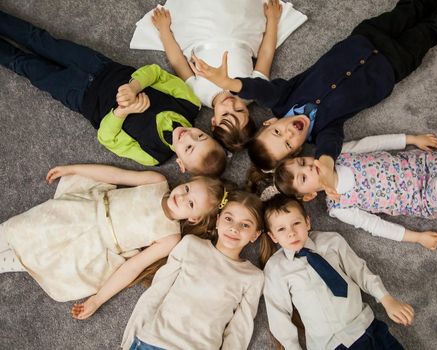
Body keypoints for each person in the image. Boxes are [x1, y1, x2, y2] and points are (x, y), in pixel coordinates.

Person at [189, 0, 437, 172]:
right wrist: (326, 167)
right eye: (290, 143)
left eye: (277, 131)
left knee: (411, 8)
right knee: (434, 27)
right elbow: (330, 150)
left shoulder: (282, 99)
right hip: (393, 65)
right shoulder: (325, 131)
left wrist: (228, 82)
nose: (290, 131)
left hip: (364, 40)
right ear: (297, 150)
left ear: (270, 120)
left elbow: (260, 90)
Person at [0, 11, 226, 175]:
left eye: (188, 148)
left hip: (82, 98)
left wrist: (122, 111)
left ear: (181, 164)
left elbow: (108, 138)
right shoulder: (189, 103)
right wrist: (135, 86)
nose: (189, 136)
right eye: (200, 136)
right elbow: (156, 73)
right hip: (101, 68)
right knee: (40, 39)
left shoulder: (153, 154)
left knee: (25, 66)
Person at [0, 164, 227, 319]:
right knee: (24, 228)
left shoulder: (170, 237)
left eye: (190, 204)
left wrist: (97, 300)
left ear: (194, 218)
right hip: (82, 211)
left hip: (95, 246)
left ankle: (8, 262)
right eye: (187, 189)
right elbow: (115, 175)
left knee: (38, 258)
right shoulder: (157, 182)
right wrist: (73, 169)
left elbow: (133, 266)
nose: (183, 196)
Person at [271, 134, 437, 250]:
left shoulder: (340, 155)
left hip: (422, 164)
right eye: (304, 177)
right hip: (427, 197)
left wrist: (411, 139)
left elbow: (375, 142)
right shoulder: (340, 207)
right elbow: (376, 225)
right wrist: (418, 238)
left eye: (303, 162)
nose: (310, 167)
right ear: (309, 196)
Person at [121, 191, 274, 350]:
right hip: (154, 341)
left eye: (245, 225)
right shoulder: (191, 245)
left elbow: (240, 329)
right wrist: (129, 340)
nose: (234, 228)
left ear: (255, 235)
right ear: (217, 221)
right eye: (229, 219)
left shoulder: (253, 277)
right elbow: (156, 291)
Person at [263, 194, 414, 349]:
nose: (291, 232)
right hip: (331, 345)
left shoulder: (330, 241)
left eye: (296, 223)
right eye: (281, 229)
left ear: (307, 222)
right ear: (273, 236)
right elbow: (278, 315)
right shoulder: (276, 268)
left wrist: (386, 299)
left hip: (367, 327)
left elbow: (359, 271)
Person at [149, 0, 284, 151]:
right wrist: (272, 20)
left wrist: (164, 30)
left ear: (213, 122)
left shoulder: (198, 94)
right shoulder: (252, 91)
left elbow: (178, 61)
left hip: (200, 32)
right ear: (249, 113)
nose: (230, 104)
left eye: (225, 114)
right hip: (239, 29)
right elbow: (265, 54)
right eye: (239, 110)